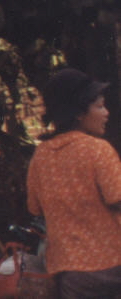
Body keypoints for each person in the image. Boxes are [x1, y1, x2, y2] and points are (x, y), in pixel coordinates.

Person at [26, 68, 121, 299]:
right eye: (99, 106)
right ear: (78, 113)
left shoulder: (41, 156)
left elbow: (34, 208)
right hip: (113, 266)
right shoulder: (98, 150)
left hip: (70, 274)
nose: (106, 113)